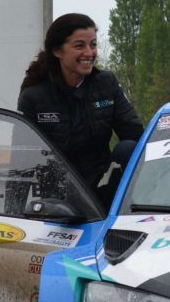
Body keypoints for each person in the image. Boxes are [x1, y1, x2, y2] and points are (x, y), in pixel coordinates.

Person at [18, 13, 144, 206]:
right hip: (57, 197)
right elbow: (21, 161)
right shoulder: (33, 96)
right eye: (79, 46)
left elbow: (136, 136)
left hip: (103, 188)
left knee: (129, 148)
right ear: (58, 51)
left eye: (93, 45)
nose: (89, 53)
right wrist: (13, 217)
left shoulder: (106, 83)